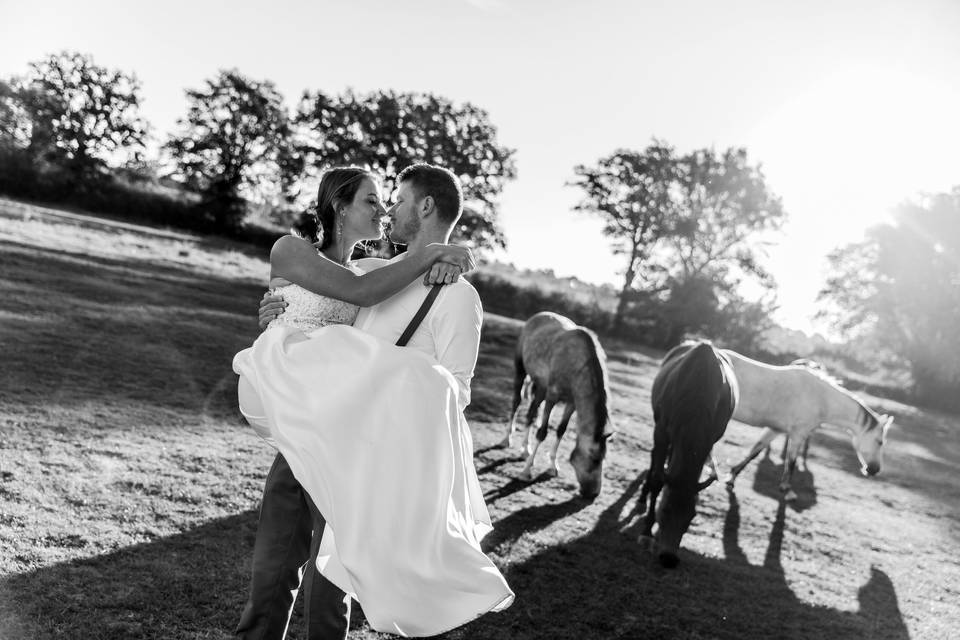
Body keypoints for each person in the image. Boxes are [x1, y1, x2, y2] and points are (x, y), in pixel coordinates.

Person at [233, 164, 513, 639]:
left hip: (366, 457)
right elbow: (326, 303)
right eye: (378, 199)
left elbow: (457, 389)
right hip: (309, 435)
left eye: (397, 199)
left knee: (329, 592)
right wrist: (276, 310)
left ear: (425, 207)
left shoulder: (459, 298)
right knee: (272, 572)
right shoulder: (373, 270)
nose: (388, 209)